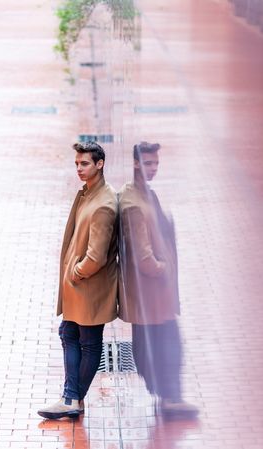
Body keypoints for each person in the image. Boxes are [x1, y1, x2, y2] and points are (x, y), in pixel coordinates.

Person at [38, 141, 118, 420]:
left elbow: (96, 257)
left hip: (89, 287)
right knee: (68, 334)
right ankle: (71, 398)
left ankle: (72, 398)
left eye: (84, 164)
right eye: (77, 164)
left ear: (100, 164)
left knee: (89, 341)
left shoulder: (103, 204)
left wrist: (77, 271)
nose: (79, 169)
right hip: (78, 287)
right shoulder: (87, 194)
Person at [118, 141, 198, 419]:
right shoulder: (135, 204)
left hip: (156, 296)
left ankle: (168, 398)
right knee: (169, 346)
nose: (153, 169)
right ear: (136, 164)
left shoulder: (145, 195)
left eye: (156, 164)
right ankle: (170, 400)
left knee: (162, 346)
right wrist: (163, 268)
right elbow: (143, 257)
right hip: (153, 295)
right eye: (148, 163)